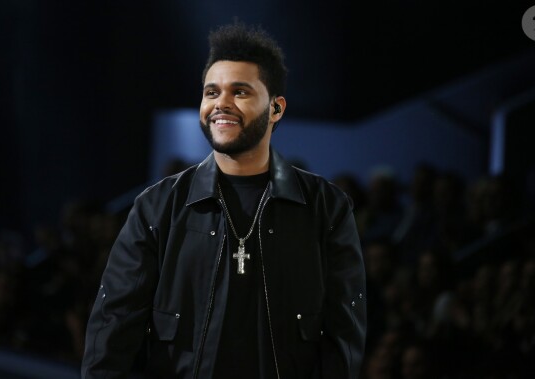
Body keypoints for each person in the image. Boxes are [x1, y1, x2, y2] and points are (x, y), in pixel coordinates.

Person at [81, 21, 367, 379]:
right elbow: (113, 328)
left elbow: (344, 336)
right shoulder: (158, 207)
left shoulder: (326, 207)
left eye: (241, 92)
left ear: (276, 109)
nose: (221, 105)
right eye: (211, 92)